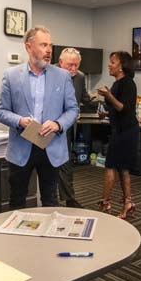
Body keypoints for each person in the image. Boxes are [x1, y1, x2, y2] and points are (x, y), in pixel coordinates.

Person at [0, 26, 78, 209]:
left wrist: (58, 124)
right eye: (43, 45)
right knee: (17, 200)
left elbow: (72, 109)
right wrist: (20, 121)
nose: (49, 50)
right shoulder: (11, 76)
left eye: (50, 45)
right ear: (28, 47)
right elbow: (0, 111)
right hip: (21, 147)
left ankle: (49, 237)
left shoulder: (63, 76)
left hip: (52, 147)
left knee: (50, 201)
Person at [96, 51, 139, 219]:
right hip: (120, 130)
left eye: (112, 62)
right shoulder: (116, 84)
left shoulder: (128, 83)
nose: (109, 64)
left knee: (111, 166)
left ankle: (105, 202)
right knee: (122, 168)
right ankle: (128, 203)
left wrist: (108, 96)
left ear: (121, 66)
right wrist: (106, 115)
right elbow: (116, 110)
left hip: (126, 132)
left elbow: (124, 108)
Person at [57, 47, 92, 208]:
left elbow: (84, 98)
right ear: (60, 62)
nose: (73, 69)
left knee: (66, 162)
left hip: (68, 126)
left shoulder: (80, 77)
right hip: (49, 126)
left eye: (76, 65)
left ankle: (69, 198)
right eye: (69, 65)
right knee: (48, 165)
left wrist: (105, 100)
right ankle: (51, 199)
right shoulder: (49, 74)